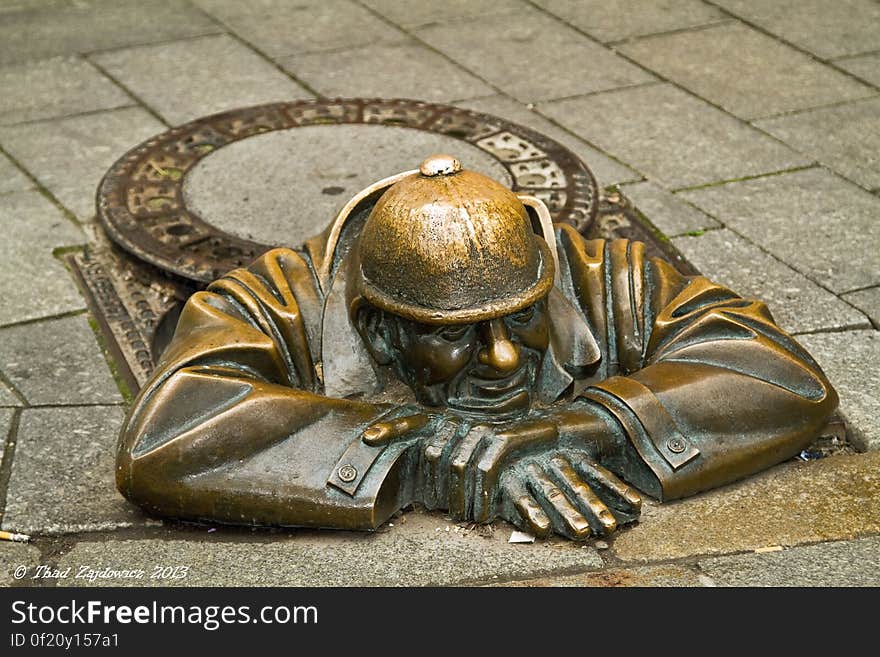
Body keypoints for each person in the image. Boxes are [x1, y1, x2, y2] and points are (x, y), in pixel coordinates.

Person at [116, 155, 837, 540]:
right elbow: (167, 434)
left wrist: (580, 429)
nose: (500, 357)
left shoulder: (595, 276)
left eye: (521, 319)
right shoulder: (261, 303)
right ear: (378, 328)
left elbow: (782, 372)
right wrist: (426, 455)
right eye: (452, 334)